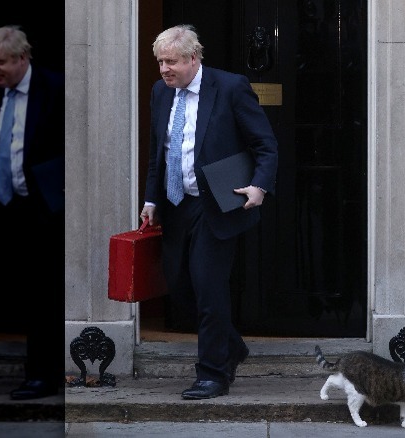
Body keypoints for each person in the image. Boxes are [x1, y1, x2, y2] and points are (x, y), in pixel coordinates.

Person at [140, 24, 278, 400]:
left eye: (171, 62)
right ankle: (232, 346)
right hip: (174, 204)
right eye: (160, 62)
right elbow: (159, 152)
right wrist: (151, 200)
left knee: (209, 287)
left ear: (193, 58)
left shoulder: (230, 87)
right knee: (178, 285)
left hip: (214, 203)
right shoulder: (160, 92)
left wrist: (259, 186)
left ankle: (213, 374)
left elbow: (265, 145)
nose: (164, 69)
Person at [0, 25, 65, 400]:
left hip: (45, 209)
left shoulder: (55, 89)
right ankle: (36, 368)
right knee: (19, 290)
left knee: (43, 293)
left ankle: (42, 375)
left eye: (1, 62)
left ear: (23, 58)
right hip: (6, 209)